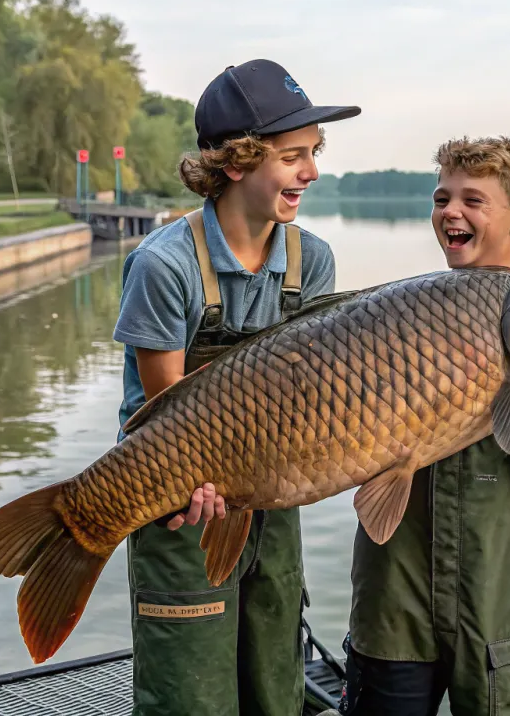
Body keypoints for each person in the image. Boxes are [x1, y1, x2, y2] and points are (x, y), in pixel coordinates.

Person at [113, 58, 361, 716]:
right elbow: (173, 422)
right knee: (189, 694)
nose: (310, 171)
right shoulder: (164, 264)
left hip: (273, 499)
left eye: (312, 153)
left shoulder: (313, 261)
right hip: (178, 499)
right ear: (236, 162)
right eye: (291, 156)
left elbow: (315, 402)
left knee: (275, 686)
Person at [340, 136, 510, 716]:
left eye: (473, 200)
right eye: (442, 197)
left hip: (501, 614)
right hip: (393, 603)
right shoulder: (399, 318)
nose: (451, 211)